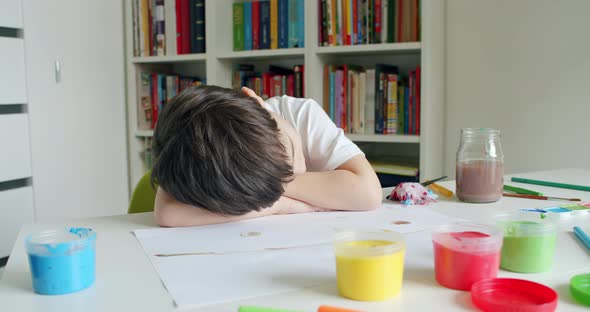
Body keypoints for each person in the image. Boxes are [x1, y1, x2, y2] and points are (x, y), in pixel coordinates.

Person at [151, 85, 382, 227]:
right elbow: (167, 213)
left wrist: (271, 190)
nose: (298, 170)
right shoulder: (191, 160)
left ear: (256, 101)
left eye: (291, 148)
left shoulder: (300, 114)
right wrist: (280, 205)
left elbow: (369, 194)